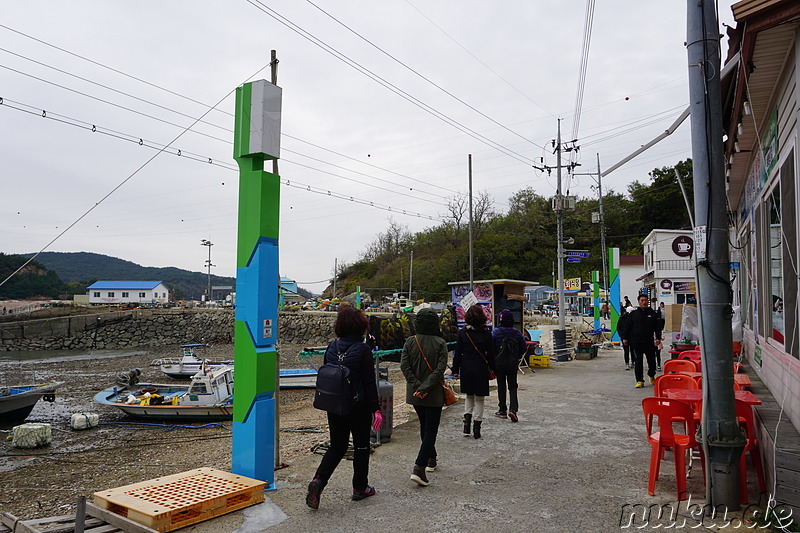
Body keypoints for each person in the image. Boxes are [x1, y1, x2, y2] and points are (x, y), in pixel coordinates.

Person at [306, 305, 382, 509]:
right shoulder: (363, 350)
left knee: (337, 446)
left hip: (334, 403)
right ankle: (360, 488)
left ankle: (319, 481)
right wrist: (376, 408)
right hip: (359, 405)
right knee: (361, 446)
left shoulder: (332, 346)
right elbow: (368, 382)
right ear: (360, 326)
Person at [401, 307, 448, 487]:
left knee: (424, 425)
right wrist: (426, 387)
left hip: (415, 394)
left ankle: (431, 459)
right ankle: (419, 467)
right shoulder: (440, 343)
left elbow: (405, 367)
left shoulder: (410, 342)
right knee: (431, 430)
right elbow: (440, 369)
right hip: (433, 393)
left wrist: (417, 386)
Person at [452, 305, 496, 437]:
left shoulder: (462, 333)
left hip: (466, 367)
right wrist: (494, 369)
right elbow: (491, 355)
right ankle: (477, 429)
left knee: (469, 396)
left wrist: (455, 370)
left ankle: (466, 426)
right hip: (480, 368)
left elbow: (457, 353)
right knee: (480, 399)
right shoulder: (486, 334)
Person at [491, 309, 527, 422]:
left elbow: (491, 348)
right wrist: (516, 356)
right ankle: (513, 410)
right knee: (513, 386)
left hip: (499, 364)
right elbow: (524, 348)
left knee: (501, 386)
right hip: (512, 363)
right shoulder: (517, 333)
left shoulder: (495, 332)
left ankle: (502, 410)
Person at [620, 294, 662, 389]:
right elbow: (627, 327)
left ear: (648, 302)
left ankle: (651, 375)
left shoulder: (653, 314)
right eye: (642, 300)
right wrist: (625, 338)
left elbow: (657, 327)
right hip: (636, 342)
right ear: (639, 302)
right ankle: (639, 380)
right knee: (638, 362)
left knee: (652, 362)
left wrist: (658, 338)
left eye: (646, 300)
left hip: (649, 342)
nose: (644, 302)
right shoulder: (634, 314)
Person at [618, 306, 631, 370]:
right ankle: (627, 363)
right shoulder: (622, 319)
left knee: (633, 351)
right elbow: (618, 328)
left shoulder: (634, 318)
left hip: (633, 337)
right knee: (626, 351)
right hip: (625, 337)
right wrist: (622, 336)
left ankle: (633, 362)